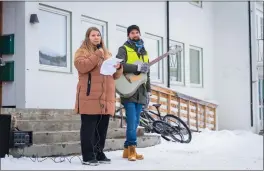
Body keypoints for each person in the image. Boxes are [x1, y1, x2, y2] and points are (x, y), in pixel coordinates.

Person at [74, 27, 123, 166]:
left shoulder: (107, 54)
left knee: (102, 127)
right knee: (89, 128)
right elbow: (81, 66)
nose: (96, 37)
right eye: (93, 35)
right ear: (87, 37)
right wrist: (97, 55)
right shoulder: (82, 52)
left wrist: (118, 67)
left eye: (98, 35)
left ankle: (99, 152)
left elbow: (115, 75)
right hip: (89, 95)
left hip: (106, 97)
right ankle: (88, 156)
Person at [116, 25, 151, 161]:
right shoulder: (123, 49)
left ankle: (126, 150)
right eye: (132, 33)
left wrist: (148, 91)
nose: (135, 34)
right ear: (128, 35)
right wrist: (136, 67)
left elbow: (147, 74)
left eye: (137, 32)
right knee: (131, 122)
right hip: (128, 89)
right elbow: (119, 65)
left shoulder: (144, 52)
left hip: (141, 91)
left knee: (136, 122)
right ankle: (132, 149)